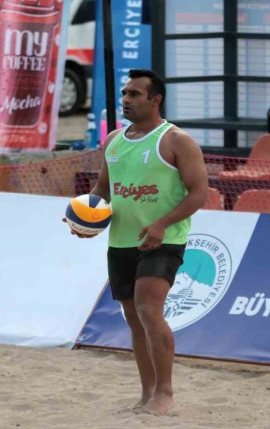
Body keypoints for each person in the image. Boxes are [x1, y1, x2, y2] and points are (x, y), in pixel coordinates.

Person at [69, 69, 208, 416]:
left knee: (148, 309)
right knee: (133, 317)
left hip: (163, 238)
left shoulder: (176, 140)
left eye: (134, 94)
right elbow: (103, 189)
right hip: (121, 240)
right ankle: (147, 391)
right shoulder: (115, 140)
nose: (126, 100)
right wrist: (84, 218)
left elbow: (198, 193)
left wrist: (162, 224)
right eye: (125, 93)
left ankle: (165, 393)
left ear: (155, 99)